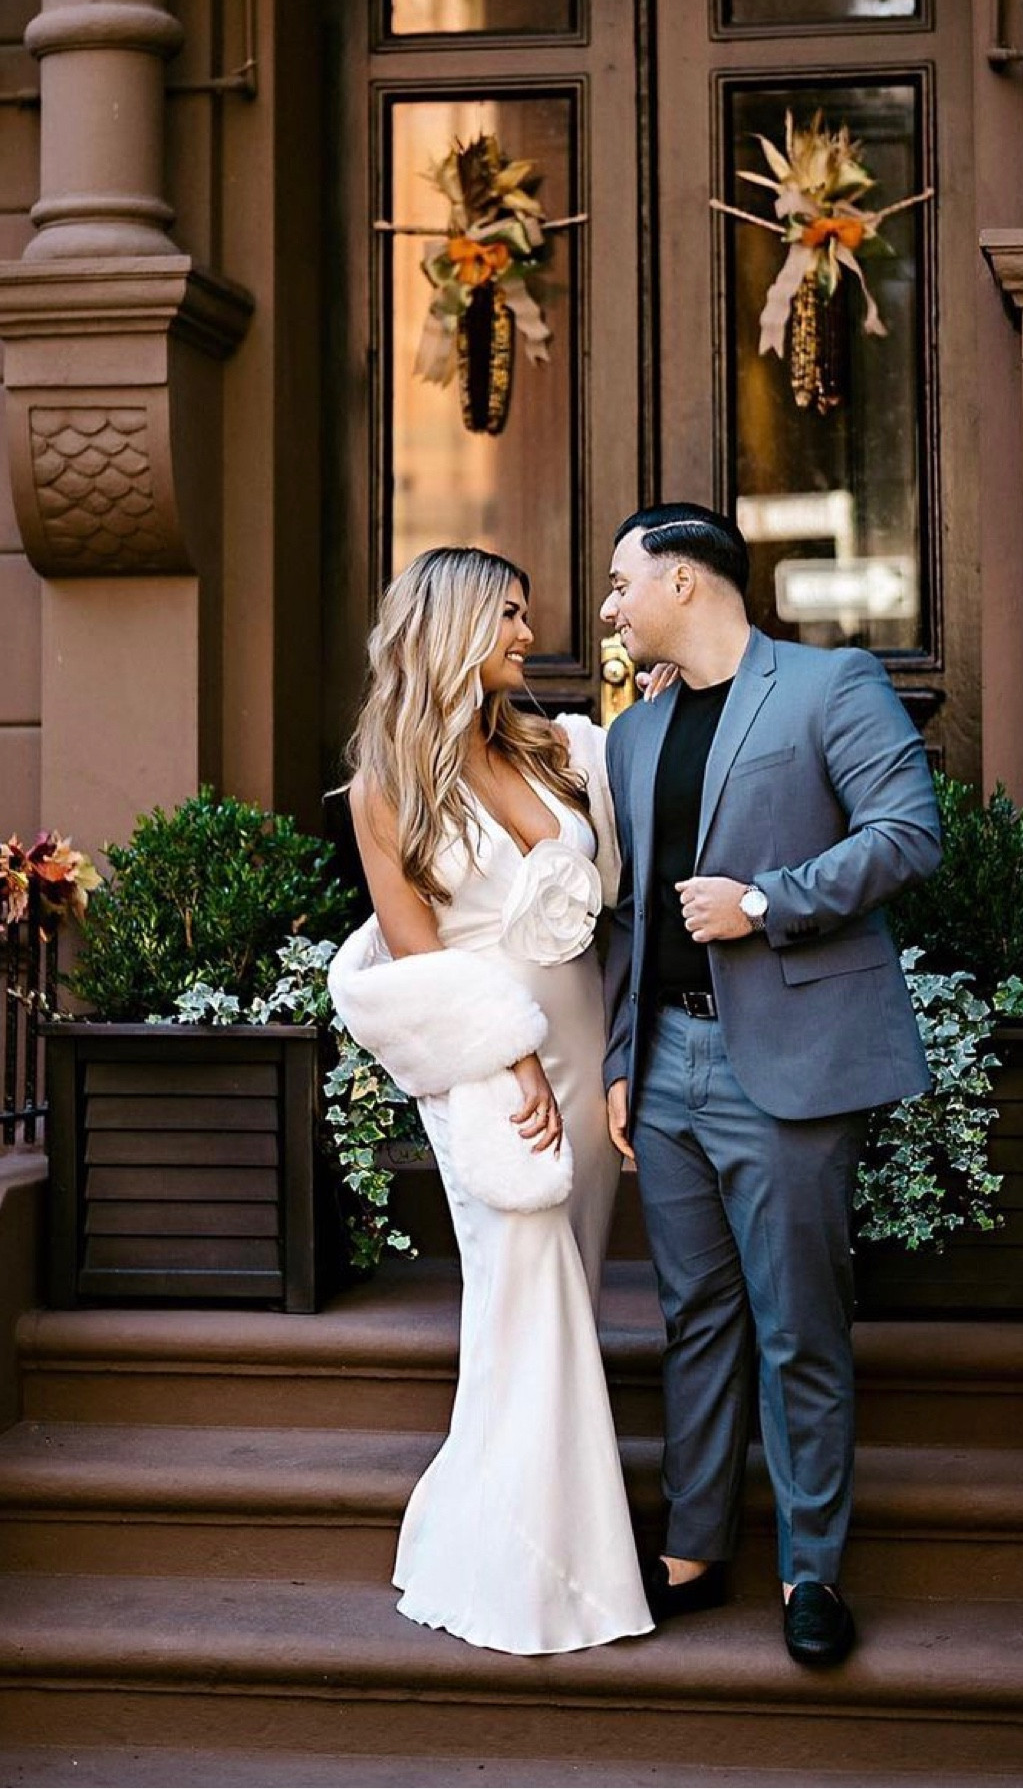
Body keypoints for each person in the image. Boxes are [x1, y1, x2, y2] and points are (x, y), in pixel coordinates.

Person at [598, 502, 941, 1669]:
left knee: (799, 1327)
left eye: (620, 582)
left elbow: (908, 832)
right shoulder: (633, 737)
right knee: (693, 1319)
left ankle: (811, 1569)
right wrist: (618, 1063)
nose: (608, 606)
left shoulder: (829, 684)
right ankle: (692, 1550)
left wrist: (765, 900)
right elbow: (632, 919)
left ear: (684, 583)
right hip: (667, 1069)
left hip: (787, 1065)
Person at [327, 545, 653, 1656]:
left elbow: (611, 877)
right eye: (510, 615)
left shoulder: (557, 748)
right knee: (525, 1295)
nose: (528, 633)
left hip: (582, 1032)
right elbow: (419, 957)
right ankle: (541, 1571)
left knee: (569, 1284)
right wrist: (509, 1059)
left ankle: (524, 1526)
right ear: (457, 625)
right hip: (485, 1064)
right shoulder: (386, 784)